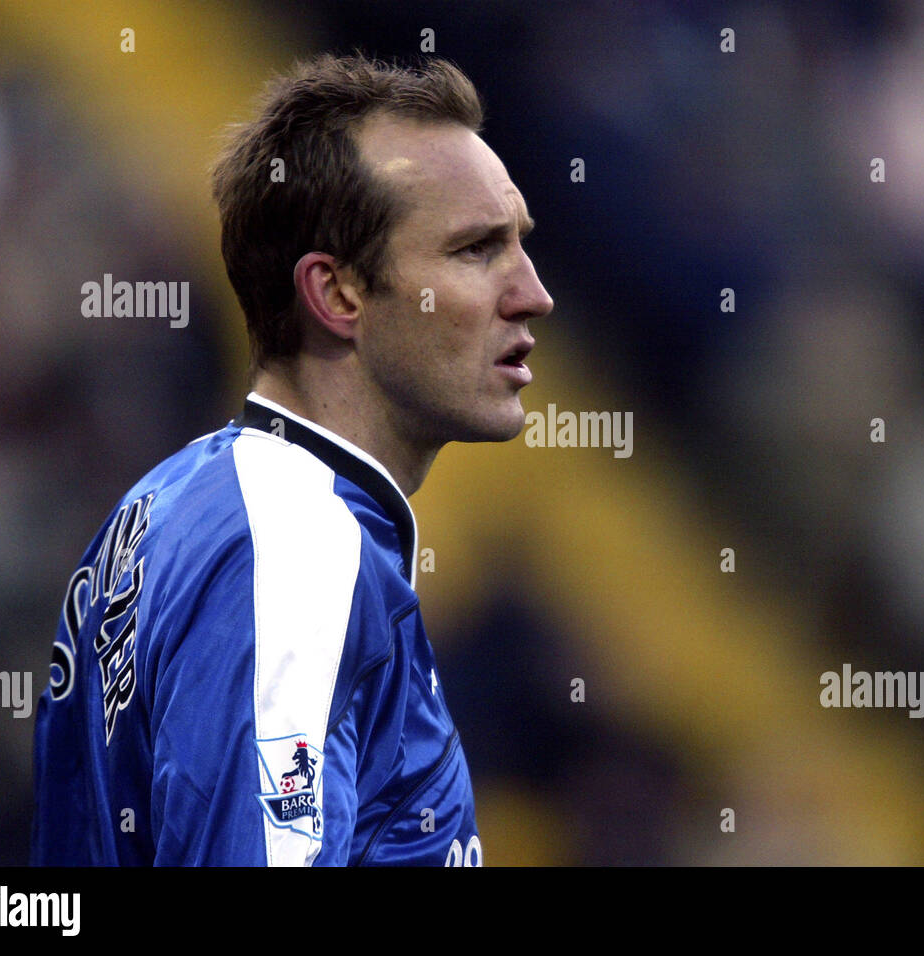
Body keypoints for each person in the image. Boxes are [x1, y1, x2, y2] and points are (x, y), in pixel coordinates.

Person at [30, 52, 553, 866]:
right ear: (337, 293)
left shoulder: (172, 501)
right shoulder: (295, 545)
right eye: (477, 250)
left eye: (519, 243)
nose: (533, 293)